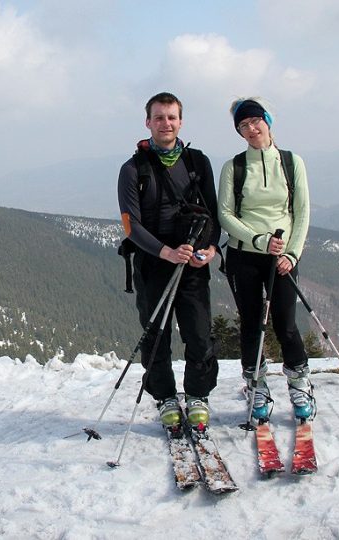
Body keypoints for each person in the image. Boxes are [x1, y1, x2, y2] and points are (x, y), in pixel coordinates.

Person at [117, 92, 221, 430]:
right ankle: (165, 398)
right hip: (153, 263)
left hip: (192, 262)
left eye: (172, 117)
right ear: (148, 122)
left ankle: (197, 396)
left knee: (199, 334)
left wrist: (211, 250)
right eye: (159, 117)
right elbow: (131, 226)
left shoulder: (197, 162)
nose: (166, 123)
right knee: (156, 335)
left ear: (181, 121)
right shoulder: (133, 169)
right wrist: (165, 252)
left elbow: (213, 214)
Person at [217, 97, 315, 420]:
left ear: (268, 121)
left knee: (285, 323)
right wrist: (257, 239)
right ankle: (256, 386)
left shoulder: (291, 162)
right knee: (251, 323)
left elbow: (301, 212)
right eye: (243, 126)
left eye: (255, 121)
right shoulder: (234, 167)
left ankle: (300, 385)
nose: (251, 129)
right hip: (243, 255)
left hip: (282, 258)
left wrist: (292, 253)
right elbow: (225, 215)